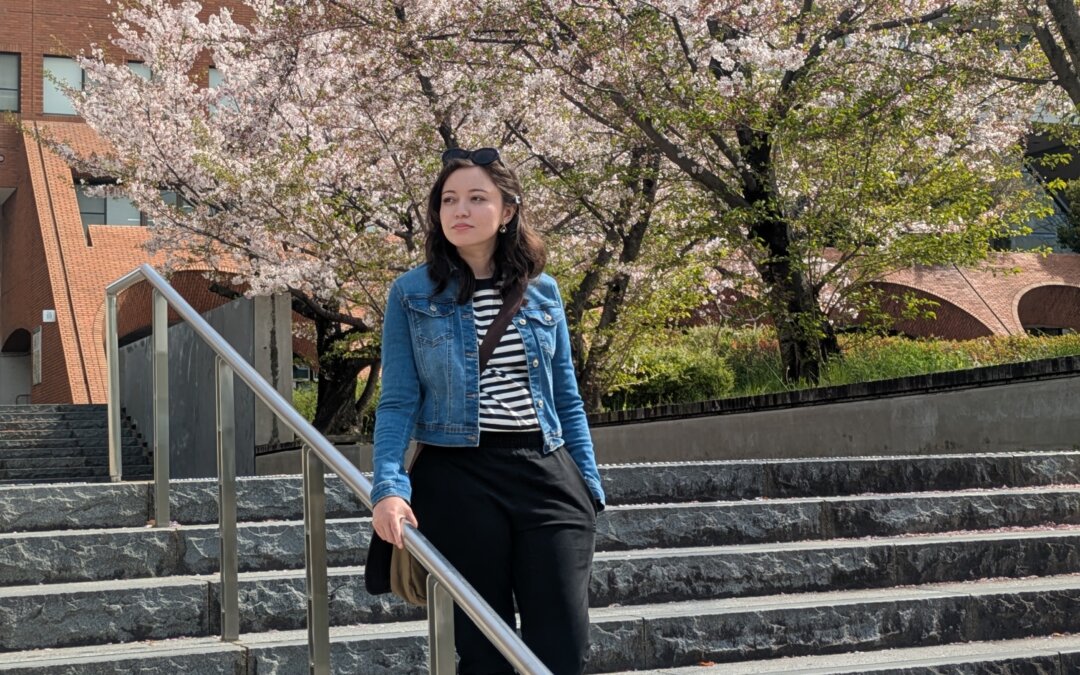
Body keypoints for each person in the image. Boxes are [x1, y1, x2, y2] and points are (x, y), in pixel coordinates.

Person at [370, 146, 605, 675]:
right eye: (449, 200)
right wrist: (388, 487)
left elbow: (566, 395)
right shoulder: (412, 293)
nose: (460, 210)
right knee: (484, 651)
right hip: (457, 475)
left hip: (546, 467)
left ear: (508, 210)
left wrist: (588, 487)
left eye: (478, 198)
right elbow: (399, 399)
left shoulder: (543, 293)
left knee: (563, 648)